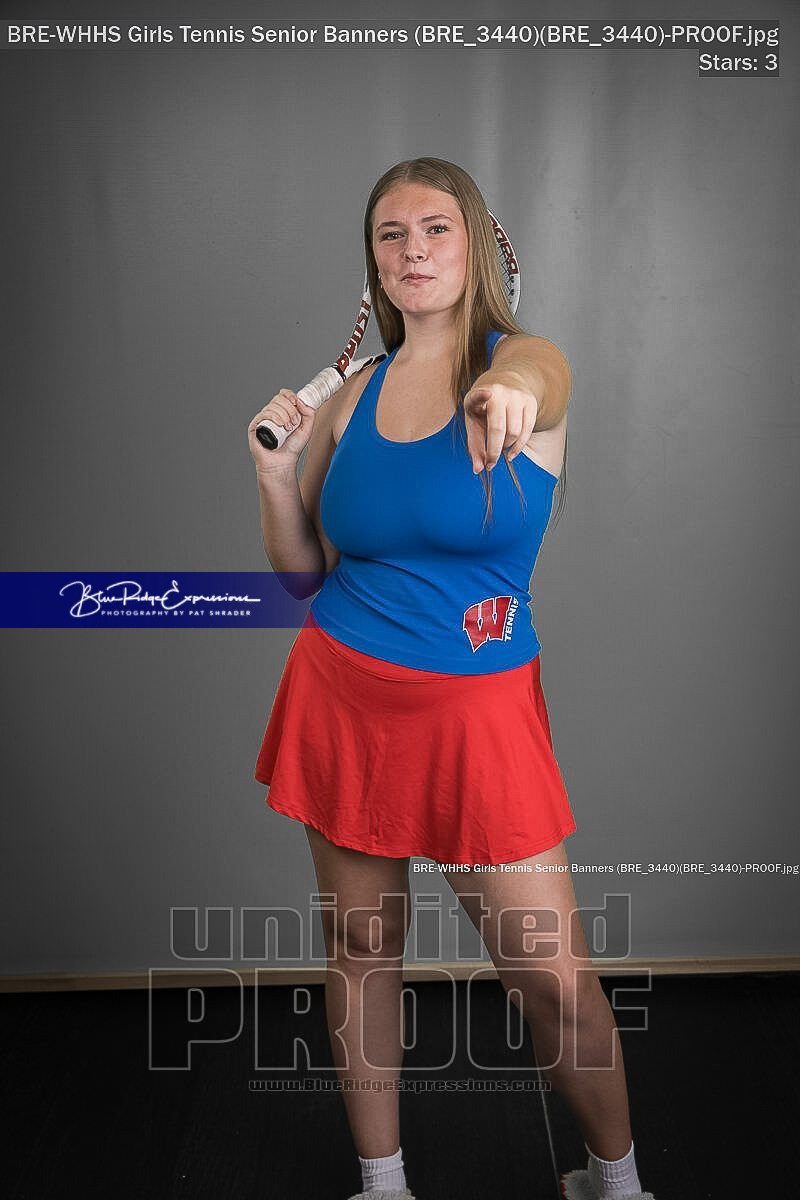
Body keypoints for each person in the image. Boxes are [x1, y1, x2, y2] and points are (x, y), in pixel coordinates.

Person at [247, 158, 656, 1200]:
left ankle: (617, 1185)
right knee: (361, 945)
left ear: (476, 243)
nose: (412, 249)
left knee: (550, 978)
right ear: (373, 264)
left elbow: (545, 375)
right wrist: (276, 479)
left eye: (435, 228)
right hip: (343, 693)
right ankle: (380, 1182)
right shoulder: (353, 398)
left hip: (476, 716)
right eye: (390, 234)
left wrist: (513, 390)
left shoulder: (520, 366)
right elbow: (303, 577)